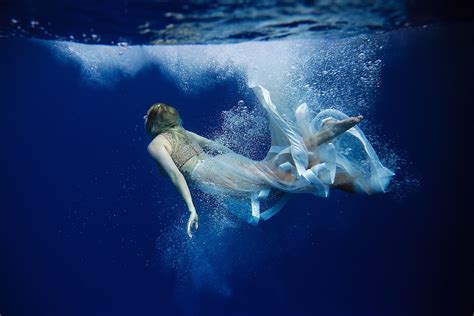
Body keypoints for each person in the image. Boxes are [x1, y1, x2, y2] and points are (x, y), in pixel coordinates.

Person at [145, 85, 394, 238]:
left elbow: (177, 176)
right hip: (221, 164)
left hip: (209, 174)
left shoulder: (156, 144)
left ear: (155, 123)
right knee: (272, 172)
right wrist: (237, 161)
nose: (144, 118)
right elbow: (215, 146)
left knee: (276, 179)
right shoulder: (182, 133)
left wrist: (191, 209)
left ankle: (327, 149)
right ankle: (324, 147)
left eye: (147, 116)